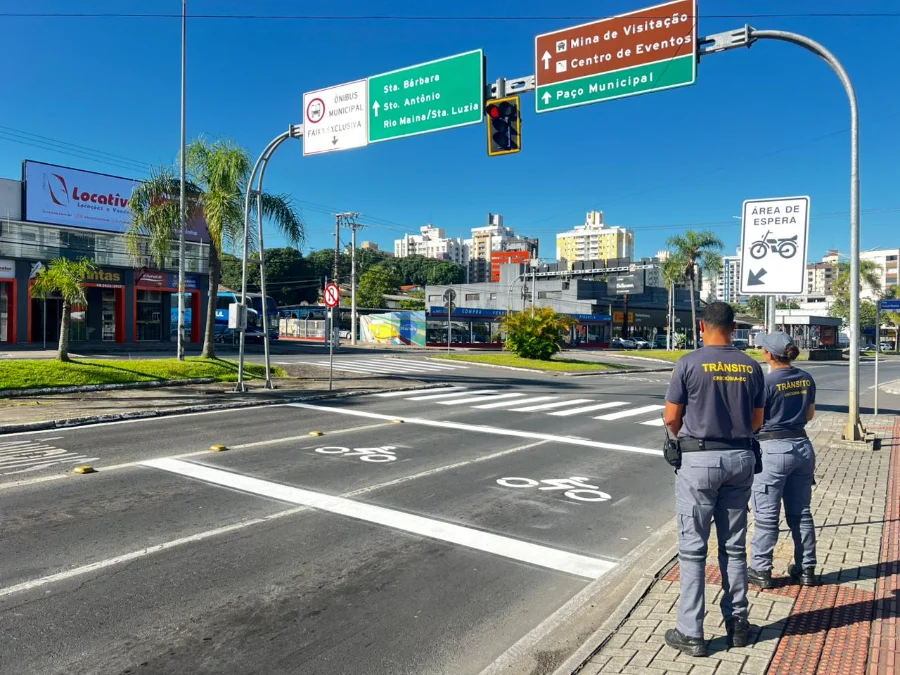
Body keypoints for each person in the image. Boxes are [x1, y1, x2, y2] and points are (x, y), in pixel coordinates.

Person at [663, 302, 765, 658]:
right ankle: (738, 624)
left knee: (693, 549)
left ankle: (692, 633)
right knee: (734, 547)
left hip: (699, 460)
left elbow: (671, 418)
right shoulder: (751, 366)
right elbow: (757, 421)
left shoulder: (688, 363)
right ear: (734, 328)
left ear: (702, 327)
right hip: (740, 458)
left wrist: (689, 436)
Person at [748, 332, 818, 589]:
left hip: (772, 451)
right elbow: (809, 415)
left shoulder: (765, 383)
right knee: (801, 513)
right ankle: (806, 569)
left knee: (767, 516)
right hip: (802, 447)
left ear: (768, 354)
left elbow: (755, 421)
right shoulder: (806, 378)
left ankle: (761, 570)